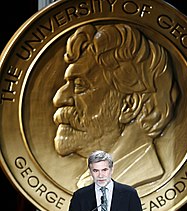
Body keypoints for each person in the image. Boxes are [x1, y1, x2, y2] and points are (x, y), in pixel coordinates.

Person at [53, 23, 179, 188]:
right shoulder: (88, 182)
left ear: (130, 105)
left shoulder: (139, 176)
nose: (59, 98)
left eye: (79, 85)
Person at [67, 150, 145, 211]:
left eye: (104, 170)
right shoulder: (80, 196)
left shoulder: (129, 193)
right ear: (90, 172)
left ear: (111, 170)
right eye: (96, 171)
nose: (100, 175)